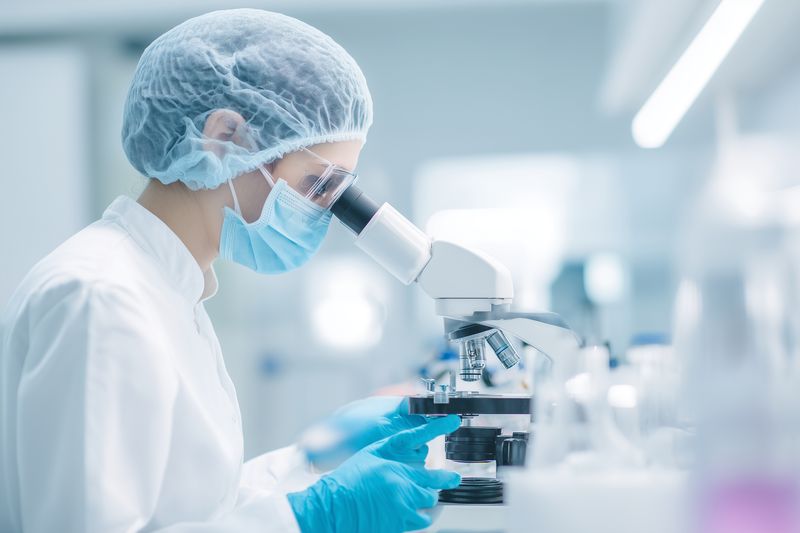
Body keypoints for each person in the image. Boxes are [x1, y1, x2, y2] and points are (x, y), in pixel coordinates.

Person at [0, 9, 461, 533]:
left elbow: (194, 510)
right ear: (225, 135)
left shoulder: (170, 293)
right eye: (318, 185)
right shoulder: (101, 297)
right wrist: (314, 515)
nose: (322, 214)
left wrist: (307, 463)